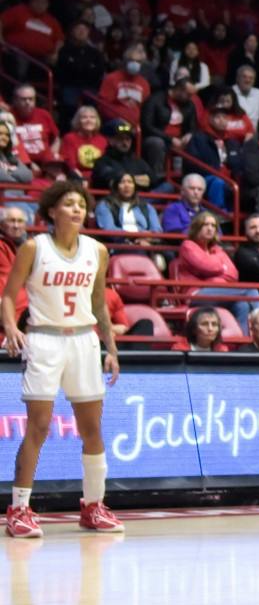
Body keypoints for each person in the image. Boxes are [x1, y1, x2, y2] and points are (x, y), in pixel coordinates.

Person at [3, 182, 124, 538]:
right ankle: (20, 509)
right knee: (37, 427)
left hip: (84, 340)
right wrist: (11, 327)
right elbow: (7, 297)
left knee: (92, 430)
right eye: (69, 204)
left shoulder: (97, 250)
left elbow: (99, 302)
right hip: (44, 340)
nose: (77, 210)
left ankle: (93, 505)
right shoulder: (33, 247)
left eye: (81, 205)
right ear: (52, 211)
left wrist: (111, 348)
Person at [178, 211, 259, 330]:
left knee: (242, 305)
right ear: (197, 227)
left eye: (213, 226)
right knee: (249, 289)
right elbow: (206, 266)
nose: (210, 229)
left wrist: (215, 275)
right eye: (205, 225)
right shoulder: (188, 246)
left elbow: (233, 275)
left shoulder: (217, 249)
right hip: (197, 294)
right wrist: (221, 267)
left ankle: (242, 343)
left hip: (218, 292)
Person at [94, 173, 164, 236]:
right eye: (122, 182)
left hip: (145, 243)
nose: (126, 185)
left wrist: (147, 239)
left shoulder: (147, 207)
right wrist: (136, 236)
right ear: (116, 186)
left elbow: (157, 230)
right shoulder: (105, 205)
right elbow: (109, 229)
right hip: (118, 245)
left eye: (130, 182)